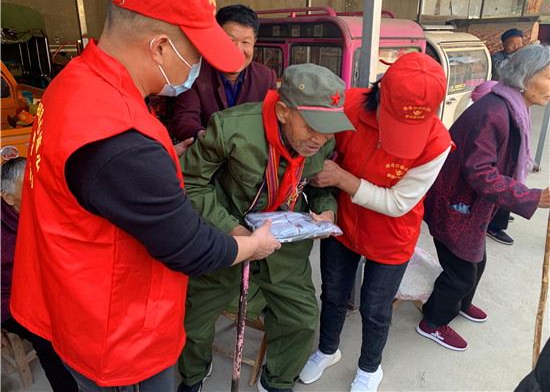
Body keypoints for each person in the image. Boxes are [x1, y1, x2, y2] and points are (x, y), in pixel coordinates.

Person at [9, 0, 281, 391]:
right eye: (197, 53)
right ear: (160, 48)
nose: (200, 66)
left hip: (70, 298)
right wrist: (252, 245)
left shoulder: (73, 80)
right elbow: (190, 247)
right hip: (118, 337)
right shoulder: (123, 142)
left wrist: (163, 155)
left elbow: (103, 177)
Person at [177, 63, 355, 392]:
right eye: (312, 126)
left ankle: (277, 381)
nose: (320, 139)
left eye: (329, 129)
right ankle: (194, 375)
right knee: (193, 323)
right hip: (228, 240)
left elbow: (318, 186)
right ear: (284, 111)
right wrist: (237, 234)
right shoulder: (231, 128)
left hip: (284, 248)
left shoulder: (322, 142)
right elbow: (190, 183)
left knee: (302, 319)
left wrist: (326, 209)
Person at [299, 52, 453, 392]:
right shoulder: (349, 106)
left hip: (392, 235)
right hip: (343, 223)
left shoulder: (436, 143)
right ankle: (327, 350)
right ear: (381, 92)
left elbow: (399, 202)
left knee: (376, 307)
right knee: (333, 294)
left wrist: (343, 179)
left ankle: (370, 367)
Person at [417, 44, 550, 351]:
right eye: (548, 77)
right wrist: (532, 197)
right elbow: (479, 173)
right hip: (456, 204)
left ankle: (462, 304)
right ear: (526, 77)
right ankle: (433, 321)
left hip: (473, 206)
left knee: (477, 261)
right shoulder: (495, 112)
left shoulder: (512, 106)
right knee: (461, 273)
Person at [1, 157, 78, 392]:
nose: (39, 190)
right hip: (11, 300)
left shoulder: (44, 209)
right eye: (29, 185)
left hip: (46, 286)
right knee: (47, 338)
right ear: (7, 197)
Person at [171, 4, 277, 141]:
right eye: (230, 40)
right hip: (208, 149)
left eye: (246, 42)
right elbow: (184, 119)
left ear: (254, 42)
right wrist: (206, 137)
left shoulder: (266, 78)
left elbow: (272, 122)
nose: (237, 50)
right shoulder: (195, 73)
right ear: (216, 39)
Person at [471, 81, 516, 245]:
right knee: (499, 184)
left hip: (500, 168)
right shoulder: (491, 115)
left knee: (506, 179)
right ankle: (494, 225)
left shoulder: (504, 111)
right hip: (492, 175)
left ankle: (497, 218)